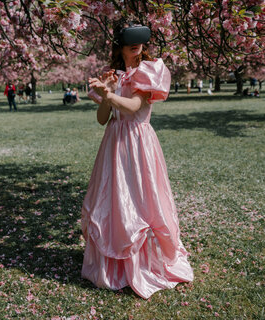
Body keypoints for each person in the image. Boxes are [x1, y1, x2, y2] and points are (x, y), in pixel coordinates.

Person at [81, 21, 193, 299]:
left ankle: (146, 262)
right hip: (114, 145)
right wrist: (107, 93)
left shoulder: (148, 70)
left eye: (139, 39)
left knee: (142, 200)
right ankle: (115, 261)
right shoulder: (114, 75)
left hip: (139, 142)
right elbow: (102, 119)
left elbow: (134, 107)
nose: (136, 44)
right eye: (129, 40)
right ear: (119, 47)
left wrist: (110, 94)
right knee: (115, 200)